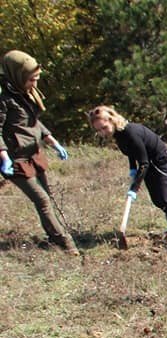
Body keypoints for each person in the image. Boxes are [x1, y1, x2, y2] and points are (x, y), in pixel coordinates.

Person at [0, 50, 78, 255]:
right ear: (17, 76)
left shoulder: (26, 94)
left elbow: (34, 121)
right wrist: (4, 156)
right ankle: (66, 244)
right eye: (31, 79)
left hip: (34, 153)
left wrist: (52, 141)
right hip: (15, 158)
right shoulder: (4, 99)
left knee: (48, 197)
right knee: (41, 200)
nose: (34, 83)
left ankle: (54, 236)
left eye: (36, 79)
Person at [87, 105, 167, 253]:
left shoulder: (130, 132)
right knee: (157, 200)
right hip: (149, 165)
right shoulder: (118, 135)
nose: (102, 132)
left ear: (111, 120)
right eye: (98, 130)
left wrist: (134, 187)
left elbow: (144, 162)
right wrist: (132, 168)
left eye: (103, 127)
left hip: (162, 162)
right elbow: (132, 152)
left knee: (165, 198)